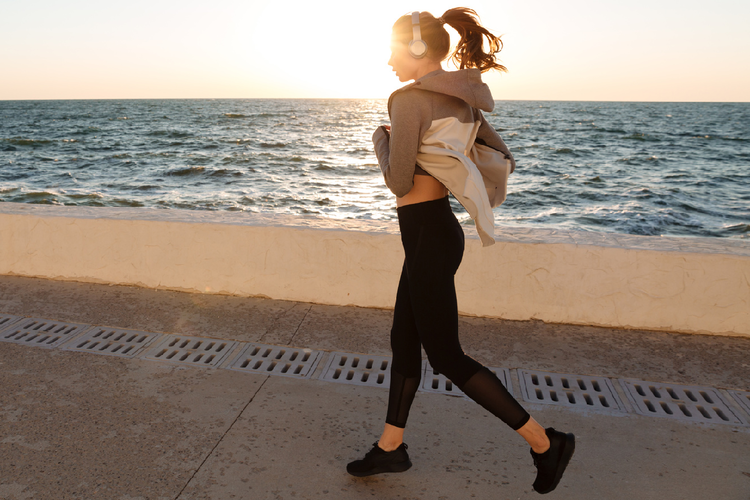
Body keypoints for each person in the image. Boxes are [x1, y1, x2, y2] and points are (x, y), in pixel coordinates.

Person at [346, 9, 575, 494]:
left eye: (391, 49)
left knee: (447, 355)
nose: (387, 60)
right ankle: (391, 448)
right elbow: (502, 156)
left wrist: (379, 141)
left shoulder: (407, 100)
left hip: (427, 234)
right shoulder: (463, 99)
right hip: (438, 231)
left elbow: (398, 180)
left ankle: (544, 442)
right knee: (404, 341)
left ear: (415, 49)